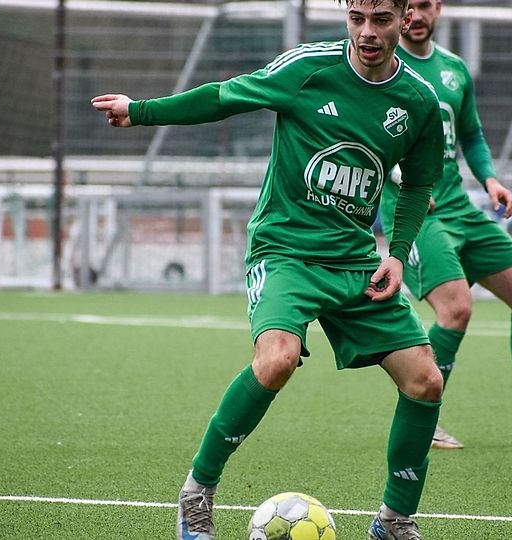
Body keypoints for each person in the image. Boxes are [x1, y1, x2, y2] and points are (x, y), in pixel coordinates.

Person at [92, 2, 447, 539]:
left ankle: (394, 520)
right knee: (277, 359)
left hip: (355, 260)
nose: (367, 31)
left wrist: (397, 253)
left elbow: (419, 183)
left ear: (403, 16)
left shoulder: (418, 100)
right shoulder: (307, 68)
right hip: (285, 251)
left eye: (380, 18)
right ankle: (197, 492)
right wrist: (141, 111)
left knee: (425, 381)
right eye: (356, 17)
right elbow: (223, 97)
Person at [379, 0, 512, 450]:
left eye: (424, 5)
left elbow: (472, 134)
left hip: (459, 206)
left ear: (437, 9)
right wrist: (403, 178)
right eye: (408, 7)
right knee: (456, 309)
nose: (416, 15)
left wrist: (490, 180)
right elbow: (366, 137)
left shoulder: (454, 70)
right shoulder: (380, 68)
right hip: (417, 213)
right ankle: (421, 417)